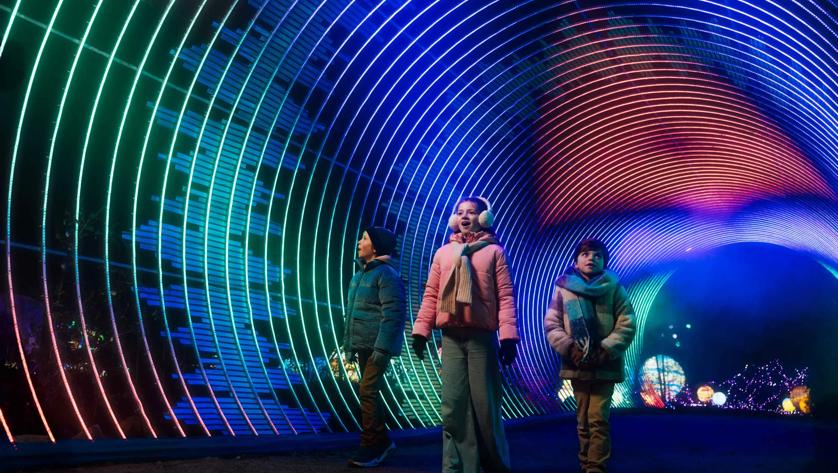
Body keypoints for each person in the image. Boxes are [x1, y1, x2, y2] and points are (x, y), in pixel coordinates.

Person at [412, 196, 519, 473]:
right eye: (460, 212)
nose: (465, 216)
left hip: (481, 339)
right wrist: (421, 330)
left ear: (484, 218)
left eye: (472, 212)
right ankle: (455, 467)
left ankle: (494, 465)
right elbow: (431, 294)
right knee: (453, 406)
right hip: (451, 338)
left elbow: (505, 296)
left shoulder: (494, 252)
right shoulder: (443, 254)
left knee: (485, 407)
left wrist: (508, 337)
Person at [544, 238, 636, 473]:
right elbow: (552, 323)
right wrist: (569, 348)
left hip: (605, 364)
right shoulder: (564, 288)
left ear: (605, 262)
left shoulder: (614, 288)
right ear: (576, 261)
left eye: (597, 255)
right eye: (585, 254)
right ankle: (585, 463)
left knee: (597, 419)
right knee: (582, 418)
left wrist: (606, 349)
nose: (591, 258)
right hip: (577, 363)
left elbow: (627, 322)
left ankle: (595, 467)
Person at [343, 226, 406, 468]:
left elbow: (393, 314)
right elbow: (351, 315)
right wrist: (350, 346)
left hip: (377, 346)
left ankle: (371, 445)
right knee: (369, 391)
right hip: (362, 345)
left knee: (367, 391)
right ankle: (382, 441)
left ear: (376, 247)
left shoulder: (386, 275)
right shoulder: (359, 276)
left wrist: (382, 349)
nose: (359, 242)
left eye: (364, 238)